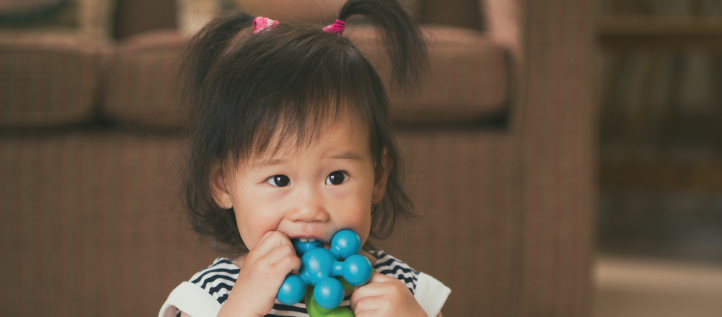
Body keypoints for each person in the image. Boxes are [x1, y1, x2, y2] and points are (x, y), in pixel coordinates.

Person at [159, 0, 450, 316]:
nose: (310, 210)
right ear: (223, 184)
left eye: (336, 177)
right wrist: (240, 308)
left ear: (378, 179)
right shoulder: (213, 293)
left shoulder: (402, 289)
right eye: (280, 179)